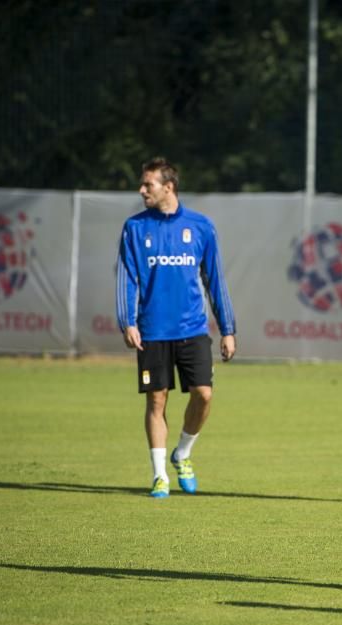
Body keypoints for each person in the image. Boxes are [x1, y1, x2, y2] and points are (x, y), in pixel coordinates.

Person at [116, 157, 237, 499]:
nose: (142, 190)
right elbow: (127, 277)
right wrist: (127, 320)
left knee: (204, 395)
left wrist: (228, 329)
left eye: (148, 185)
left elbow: (215, 279)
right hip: (152, 330)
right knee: (157, 400)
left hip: (193, 329)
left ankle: (182, 452)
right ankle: (159, 477)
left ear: (168, 187)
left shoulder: (201, 226)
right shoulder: (135, 228)